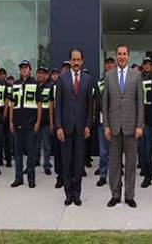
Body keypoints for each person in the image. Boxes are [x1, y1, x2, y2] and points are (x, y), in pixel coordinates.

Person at [102, 45, 144, 208]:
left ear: (128, 56)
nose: (121, 57)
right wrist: (106, 125)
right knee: (114, 164)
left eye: (124, 54)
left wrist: (139, 125)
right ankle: (115, 195)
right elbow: (105, 104)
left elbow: (140, 103)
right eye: (119, 54)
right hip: (113, 127)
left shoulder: (136, 75)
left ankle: (129, 196)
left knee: (131, 163)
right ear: (116, 55)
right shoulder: (108, 75)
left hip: (131, 127)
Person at [55, 48, 93, 206]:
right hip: (66, 129)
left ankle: (77, 194)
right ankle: (68, 194)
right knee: (66, 163)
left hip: (80, 130)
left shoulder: (87, 79)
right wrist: (58, 126)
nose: (76, 62)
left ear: (82, 61)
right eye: (73, 60)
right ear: (70, 61)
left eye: (78, 60)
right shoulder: (62, 79)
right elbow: (58, 105)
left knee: (78, 164)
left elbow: (90, 106)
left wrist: (88, 125)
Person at [10, 60, 41, 188]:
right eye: (22, 68)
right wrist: (11, 121)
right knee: (17, 154)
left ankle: (31, 178)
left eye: (26, 68)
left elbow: (39, 104)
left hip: (30, 124)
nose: (24, 70)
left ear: (30, 70)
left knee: (31, 153)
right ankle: (18, 178)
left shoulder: (35, 84)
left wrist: (38, 122)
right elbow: (12, 104)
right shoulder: (15, 84)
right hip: (17, 124)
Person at [95, 57, 115, 187]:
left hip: (117, 122)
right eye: (107, 64)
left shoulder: (120, 81)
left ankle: (116, 175)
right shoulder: (99, 83)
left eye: (111, 64)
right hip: (102, 122)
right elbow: (98, 101)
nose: (109, 66)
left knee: (116, 151)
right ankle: (103, 175)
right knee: (103, 151)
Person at [139, 57, 152, 188]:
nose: (148, 66)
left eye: (150, 64)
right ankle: (146, 171)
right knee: (143, 147)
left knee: (151, 148)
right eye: (146, 64)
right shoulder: (138, 79)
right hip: (141, 118)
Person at [36, 67, 54, 176]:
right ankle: (34, 162)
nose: (40, 76)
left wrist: (52, 122)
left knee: (47, 145)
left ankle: (47, 165)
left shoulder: (50, 87)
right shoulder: (33, 86)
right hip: (34, 121)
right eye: (39, 73)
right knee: (34, 145)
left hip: (46, 120)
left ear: (46, 76)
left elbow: (51, 106)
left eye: (43, 74)